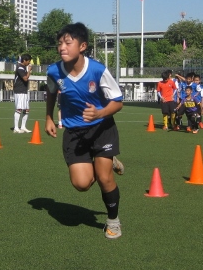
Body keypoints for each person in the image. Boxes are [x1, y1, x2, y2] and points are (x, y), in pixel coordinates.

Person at [45, 22, 125, 240]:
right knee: (81, 184)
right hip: (75, 133)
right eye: (60, 43)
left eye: (68, 43)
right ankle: (103, 161)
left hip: (102, 128)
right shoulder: (53, 71)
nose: (62, 47)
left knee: (104, 178)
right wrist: (49, 117)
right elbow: (51, 92)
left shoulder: (98, 70)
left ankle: (113, 221)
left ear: (82, 46)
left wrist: (99, 114)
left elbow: (117, 102)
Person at [13, 54, 32, 133]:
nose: (29, 63)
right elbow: (25, 78)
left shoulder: (23, 67)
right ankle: (16, 128)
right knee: (19, 109)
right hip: (19, 91)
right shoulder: (20, 67)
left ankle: (23, 126)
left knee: (27, 109)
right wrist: (29, 70)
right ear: (24, 60)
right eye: (28, 61)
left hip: (24, 91)